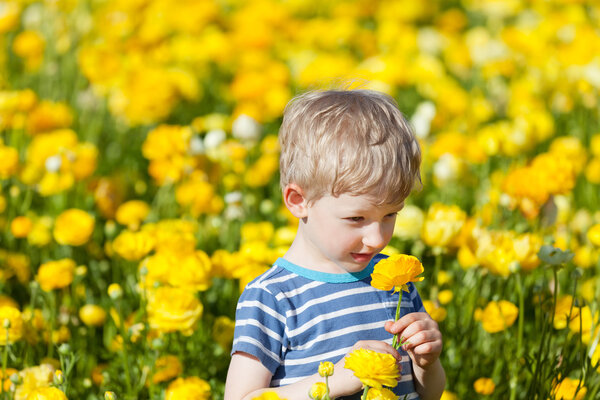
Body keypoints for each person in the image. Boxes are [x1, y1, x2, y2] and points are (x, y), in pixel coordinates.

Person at [224, 89, 445, 399]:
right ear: (298, 201)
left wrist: (427, 364)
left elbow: (428, 393)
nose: (377, 238)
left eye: (390, 215)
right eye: (356, 219)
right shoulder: (273, 298)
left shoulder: (395, 281)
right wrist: (331, 382)